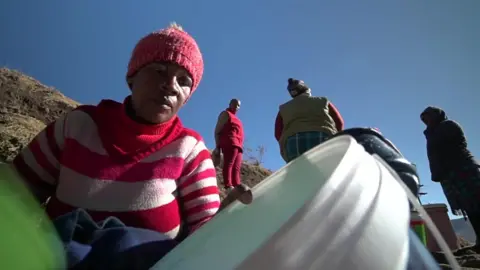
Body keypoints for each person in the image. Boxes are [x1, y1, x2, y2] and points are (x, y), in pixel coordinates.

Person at [11, 23, 221, 241]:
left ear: (187, 97)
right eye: (159, 70)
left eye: (184, 81)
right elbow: (14, 192)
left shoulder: (190, 149)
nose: (170, 86)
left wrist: (232, 218)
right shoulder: (77, 125)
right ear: (132, 77)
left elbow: (207, 232)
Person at [421, 106, 480, 244]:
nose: (426, 121)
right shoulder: (432, 132)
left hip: (462, 168)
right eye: (424, 119)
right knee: (468, 206)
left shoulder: (448, 126)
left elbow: (451, 147)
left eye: (428, 117)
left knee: (476, 202)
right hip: (449, 174)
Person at [274, 78, 344, 163]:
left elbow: (278, 133)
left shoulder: (283, 109)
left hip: (293, 144)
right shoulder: (323, 101)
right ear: (306, 89)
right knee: (325, 170)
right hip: (322, 138)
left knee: (299, 171)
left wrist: (286, 144)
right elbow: (339, 122)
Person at [214, 99, 245, 192]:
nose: (236, 106)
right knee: (229, 163)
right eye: (234, 104)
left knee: (237, 167)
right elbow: (217, 131)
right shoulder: (225, 114)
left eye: (238, 105)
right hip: (230, 142)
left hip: (239, 145)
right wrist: (217, 147)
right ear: (230, 104)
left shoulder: (237, 119)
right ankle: (228, 186)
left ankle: (238, 187)